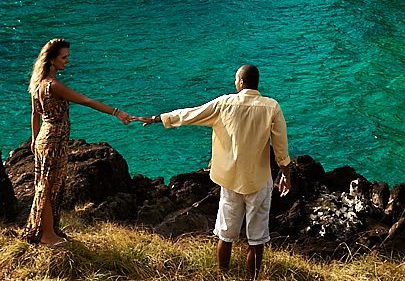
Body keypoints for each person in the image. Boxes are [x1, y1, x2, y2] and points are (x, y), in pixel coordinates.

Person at [138, 64, 292, 278]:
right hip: (258, 180)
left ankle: (222, 277)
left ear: (241, 82)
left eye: (236, 79)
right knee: (256, 239)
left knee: (226, 235)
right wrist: (285, 173)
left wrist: (159, 118)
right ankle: (252, 278)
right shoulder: (271, 106)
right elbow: (281, 145)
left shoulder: (225, 103)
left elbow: (190, 114)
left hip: (230, 180)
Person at [22, 38, 134, 247]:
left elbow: (35, 114)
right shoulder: (54, 85)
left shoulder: (38, 83)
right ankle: (47, 235)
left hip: (46, 140)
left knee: (50, 186)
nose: (67, 61)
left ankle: (49, 230)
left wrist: (35, 139)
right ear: (52, 59)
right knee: (47, 188)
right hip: (53, 141)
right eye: (64, 57)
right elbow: (85, 101)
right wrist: (117, 112)